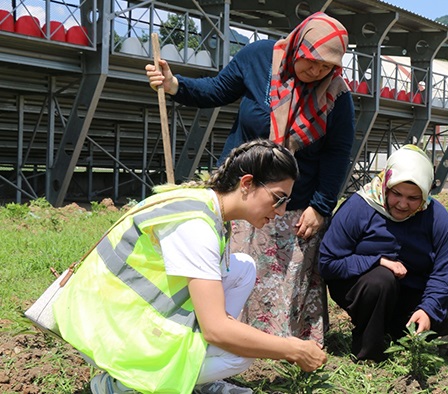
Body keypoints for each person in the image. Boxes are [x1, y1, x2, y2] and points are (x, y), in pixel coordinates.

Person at [52, 140, 327, 394]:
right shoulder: (195, 226)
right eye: (278, 198)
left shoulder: (204, 205)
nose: (280, 211)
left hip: (113, 311)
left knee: (242, 267)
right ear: (247, 183)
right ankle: (122, 385)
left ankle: (196, 378)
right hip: (104, 328)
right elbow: (217, 330)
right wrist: (292, 348)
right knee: (239, 354)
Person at [145, 12, 355, 345]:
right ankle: (220, 337)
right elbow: (215, 91)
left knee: (284, 279)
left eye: (326, 67)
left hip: (296, 206)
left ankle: (283, 344)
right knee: (227, 271)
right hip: (242, 194)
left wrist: (321, 205)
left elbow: (338, 153)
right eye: (310, 61)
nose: (315, 72)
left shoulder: (337, 95)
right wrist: (174, 85)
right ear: (297, 45)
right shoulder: (259, 59)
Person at [318, 145, 448, 361]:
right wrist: (376, 261)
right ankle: (368, 351)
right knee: (381, 280)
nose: (403, 204)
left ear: (425, 194)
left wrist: (428, 309)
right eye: (396, 193)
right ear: (385, 184)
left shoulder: (437, 218)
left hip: (408, 293)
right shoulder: (359, 207)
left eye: (413, 198)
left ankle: (397, 334)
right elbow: (327, 263)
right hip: (363, 289)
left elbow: (444, 273)